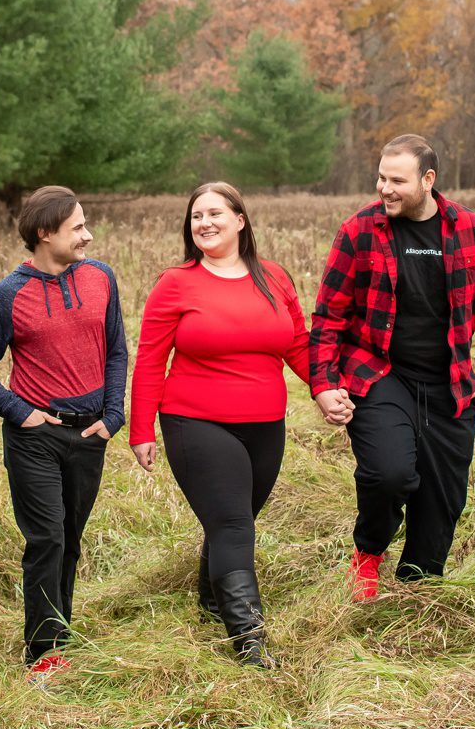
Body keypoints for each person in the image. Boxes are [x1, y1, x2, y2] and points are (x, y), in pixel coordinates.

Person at [128, 182, 334, 668]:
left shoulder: (274, 278)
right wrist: (141, 431)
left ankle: (208, 602)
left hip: (265, 423)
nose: (204, 223)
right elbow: (151, 359)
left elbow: (297, 344)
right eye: (196, 215)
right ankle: (250, 642)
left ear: (241, 220)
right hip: (194, 420)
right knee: (234, 524)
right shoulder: (176, 283)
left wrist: (322, 388)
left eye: (215, 213)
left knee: (231, 521)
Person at [309, 134, 475, 600]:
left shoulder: (471, 231)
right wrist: (323, 384)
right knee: (389, 473)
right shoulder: (359, 232)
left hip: (451, 383)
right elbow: (328, 317)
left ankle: (416, 591)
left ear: (428, 180)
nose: (385, 189)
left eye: (397, 180)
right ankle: (368, 553)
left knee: (442, 501)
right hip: (379, 374)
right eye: (381, 178)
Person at [0, 186, 127, 681]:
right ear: (45, 233)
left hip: (90, 434)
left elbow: (116, 351)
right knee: (46, 538)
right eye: (77, 227)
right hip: (35, 436)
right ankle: (42, 652)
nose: (87, 235)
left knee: (71, 537)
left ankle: (60, 630)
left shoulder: (101, 277)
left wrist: (112, 416)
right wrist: (19, 412)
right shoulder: (6, 295)